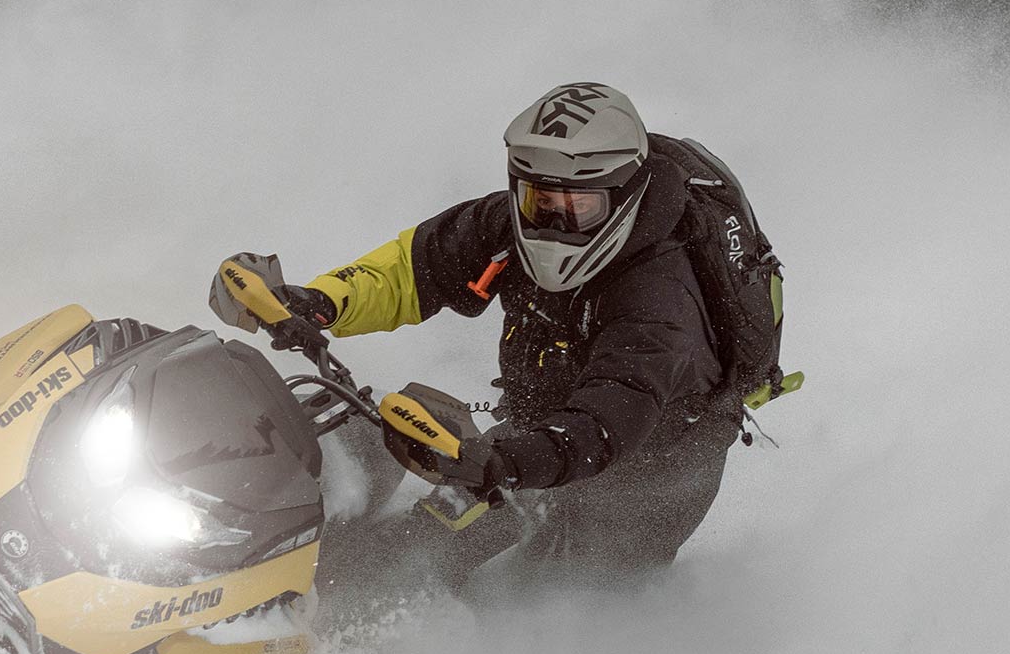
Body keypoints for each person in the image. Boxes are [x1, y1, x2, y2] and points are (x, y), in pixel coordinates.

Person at [214, 80, 755, 593]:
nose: (553, 221)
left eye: (578, 207)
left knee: (572, 603)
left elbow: (606, 422)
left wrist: (502, 464)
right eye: (539, 200)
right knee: (411, 551)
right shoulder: (507, 227)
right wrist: (320, 303)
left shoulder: (660, 299)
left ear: (624, 195)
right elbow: (412, 268)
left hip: (648, 474)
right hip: (535, 437)